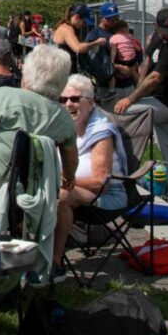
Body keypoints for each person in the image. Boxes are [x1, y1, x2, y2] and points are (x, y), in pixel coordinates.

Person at [0, 44, 79, 192]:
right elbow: (71, 164)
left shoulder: (4, 97)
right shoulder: (65, 119)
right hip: (31, 198)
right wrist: (68, 178)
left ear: (27, 74)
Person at [52, 74, 128, 268]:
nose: (68, 104)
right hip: (76, 191)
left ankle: (55, 261)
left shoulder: (101, 132)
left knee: (61, 197)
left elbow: (100, 181)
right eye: (64, 99)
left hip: (107, 196)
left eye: (75, 99)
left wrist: (62, 180)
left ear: (91, 103)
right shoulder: (64, 128)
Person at [114, 8, 168, 161]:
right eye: (164, 30)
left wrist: (130, 99)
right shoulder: (157, 37)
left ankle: (123, 159)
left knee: (124, 110)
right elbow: (147, 61)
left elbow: (155, 77)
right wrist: (139, 87)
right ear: (155, 26)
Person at [86, 2, 137, 102]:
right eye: (109, 18)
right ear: (102, 17)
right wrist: (117, 69)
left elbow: (131, 52)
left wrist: (130, 69)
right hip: (108, 87)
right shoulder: (94, 35)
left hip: (128, 83)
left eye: (115, 17)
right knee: (111, 116)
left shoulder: (119, 30)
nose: (113, 21)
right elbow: (94, 62)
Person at [52, 2, 105, 74]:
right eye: (84, 21)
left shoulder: (72, 28)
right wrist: (97, 43)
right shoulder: (66, 29)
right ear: (77, 17)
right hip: (60, 72)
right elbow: (78, 48)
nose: (84, 25)